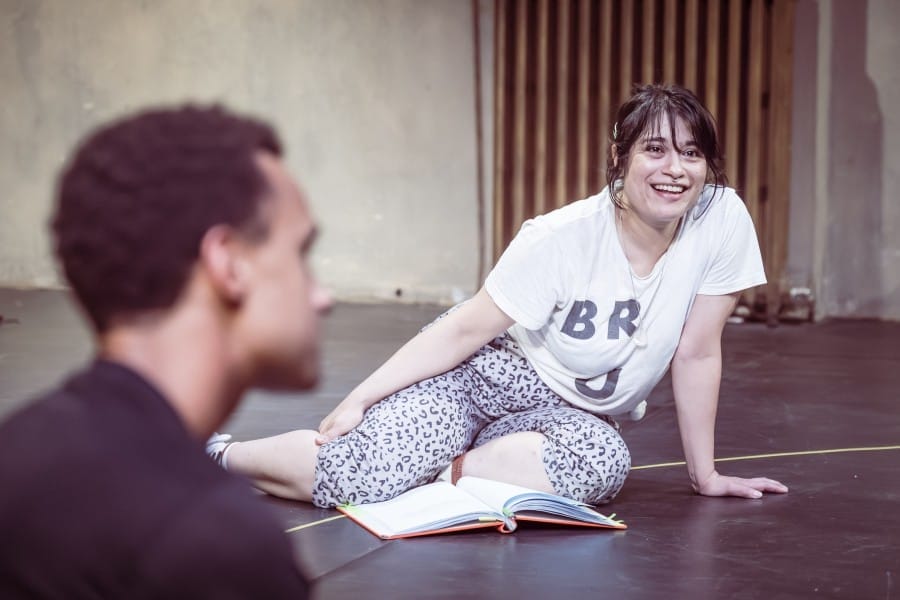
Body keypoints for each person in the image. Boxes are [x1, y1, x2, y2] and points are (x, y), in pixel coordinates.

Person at [210, 84, 788, 508]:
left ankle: (434, 475)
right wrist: (360, 398)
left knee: (604, 465)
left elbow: (697, 351)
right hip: (482, 377)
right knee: (359, 476)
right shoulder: (560, 238)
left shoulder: (721, 218)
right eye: (655, 150)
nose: (675, 169)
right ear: (620, 158)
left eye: (691, 153)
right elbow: (465, 328)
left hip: (572, 412)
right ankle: (217, 456)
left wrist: (704, 475)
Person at [0, 106, 331, 598]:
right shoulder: (218, 545)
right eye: (300, 254)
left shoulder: (15, 449)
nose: (321, 296)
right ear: (228, 264)